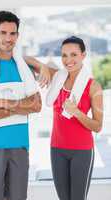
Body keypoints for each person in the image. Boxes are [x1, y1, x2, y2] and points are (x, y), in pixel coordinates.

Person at [26, 36, 103, 200]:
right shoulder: (57, 77)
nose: (68, 60)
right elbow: (25, 59)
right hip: (57, 148)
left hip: (82, 151)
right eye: (64, 55)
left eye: (73, 55)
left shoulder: (93, 87)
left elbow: (97, 126)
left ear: (83, 55)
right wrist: (42, 67)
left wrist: (76, 112)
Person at [0, 11, 42, 200]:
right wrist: (21, 106)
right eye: (3, 33)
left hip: (19, 145)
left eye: (12, 33)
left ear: (17, 35)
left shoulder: (23, 67)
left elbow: (37, 105)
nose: (8, 38)